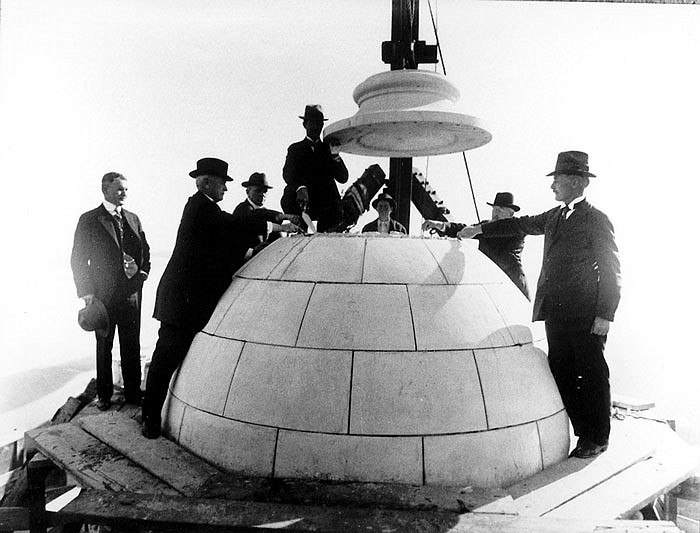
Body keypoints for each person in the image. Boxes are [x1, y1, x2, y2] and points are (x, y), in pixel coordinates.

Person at [457, 151, 621, 459]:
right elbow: (520, 225)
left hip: (586, 314)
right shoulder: (555, 216)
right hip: (556, 312)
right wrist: (479, 229)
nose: (552, 186)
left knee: (592, 372)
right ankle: (582, 430)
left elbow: (612, 270)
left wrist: (605, 314)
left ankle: (596, 437)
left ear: (575, 182)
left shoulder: (597, 220)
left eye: (557, 180)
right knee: (560, 367)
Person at [142, 157, 288, 439]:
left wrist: (275, 218)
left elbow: (231, 230)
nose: (225, 188)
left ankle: (151, 413)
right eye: (222, 182)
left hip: (186, 300)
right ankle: (149, 418)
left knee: (169, 357)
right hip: (180, 301)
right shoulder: (200, 207)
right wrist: (277, 223)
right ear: (206, 182)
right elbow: (234, 225)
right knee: (164, 359)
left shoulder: (206, 209)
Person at [71, 172, 150, 410]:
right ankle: (104, 396)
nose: (124, 193)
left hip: (131, 295)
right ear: (105, 190)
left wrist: (142, 275)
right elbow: (77, 259)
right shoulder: (89, 219)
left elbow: (145, 252)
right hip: (102, 297)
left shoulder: (133, 219)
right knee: (104, 346)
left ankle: (134, 394)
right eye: (119, 190)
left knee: (131, 344)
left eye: (126, 189)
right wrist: (86, 292)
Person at [422, 192, 529, 299]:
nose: (496, 211)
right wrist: (440, 225)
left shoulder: (515, 229)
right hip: (493, 284)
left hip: (513, 286)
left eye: (501, 208)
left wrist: (478, 230)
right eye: (494, 208)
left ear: (511, 213)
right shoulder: (485, 227)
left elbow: (500, 228)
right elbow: (464, 230)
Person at [281, 104, 349, 232]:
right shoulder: (295, 149)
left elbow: (343, 178)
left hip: (325, 204)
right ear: (305, 124)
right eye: (312, 123)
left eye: (319, 123)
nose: (316, 126)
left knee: (328, 236)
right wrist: (300, 187)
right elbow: (287, 173)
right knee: (298, 235)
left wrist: (335, 156)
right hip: (302, 202)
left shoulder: (328, 150)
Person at [232, 172, 301, 256]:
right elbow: (256, 218)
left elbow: (277, 237)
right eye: (258, 191)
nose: (262, 194)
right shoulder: (242, 209)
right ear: (247, 192)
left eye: (265, 191)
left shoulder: (266, 212)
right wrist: (284, 220)